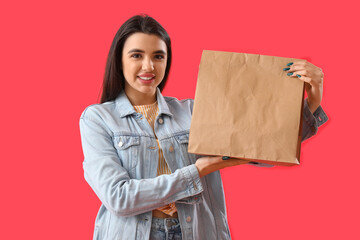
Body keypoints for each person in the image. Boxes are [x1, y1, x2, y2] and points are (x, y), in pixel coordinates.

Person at [79, 14, 328, 240]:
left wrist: (311, 102)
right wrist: (197, 171)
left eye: (158, 56)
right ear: (119, 60)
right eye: (136, 55)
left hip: (199, 231)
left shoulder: (192, 111)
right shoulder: (98, 119)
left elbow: (261, 148)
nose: (149, 67)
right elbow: (119, 197)